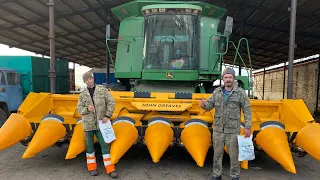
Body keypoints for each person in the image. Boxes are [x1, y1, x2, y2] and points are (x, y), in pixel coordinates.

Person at [200, 68, 252, 180]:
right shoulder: (217, 92)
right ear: (223, 78)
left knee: (234, 156)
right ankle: (216, 175)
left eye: (230, 77)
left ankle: (235, 176)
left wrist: (248, 127)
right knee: (217, 155)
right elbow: (210, 106)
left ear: (233, 78)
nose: (228, 79)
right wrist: (203, 105)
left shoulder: (240, 93)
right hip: (218, 130)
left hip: (233, 130)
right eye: (226, 77)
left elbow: (247, 110)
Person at [77, 71, 118, 178]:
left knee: (105, 145)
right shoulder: (82, 94)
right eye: (86, 80)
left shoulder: (102, 90)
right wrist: (87, 109)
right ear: (84, 81)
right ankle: (92, 168)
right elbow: (79, 109)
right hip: (88, 125)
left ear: (93, 78)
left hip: (101, 124)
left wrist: (107, 116)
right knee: (89, 147)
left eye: (90, 78)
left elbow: (111, 102)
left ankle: (110, 169)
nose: (89, 81)